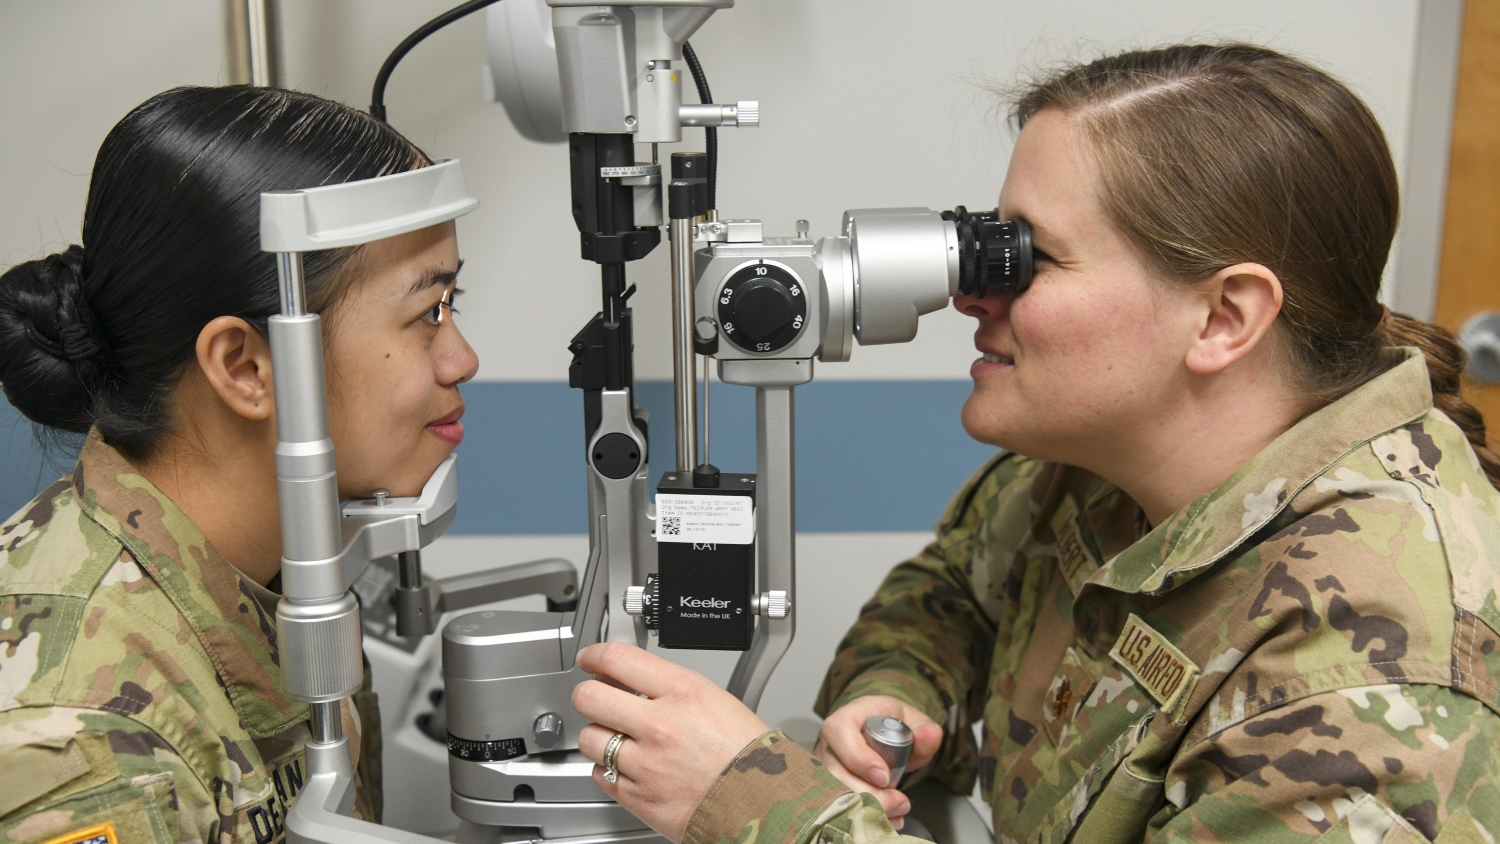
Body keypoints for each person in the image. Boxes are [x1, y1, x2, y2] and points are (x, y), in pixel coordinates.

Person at [567, 43, 1500, 844]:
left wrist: (757, 804)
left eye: (1029, 257)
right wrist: (899, 696)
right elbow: (950, 593)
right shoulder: (1098, 473)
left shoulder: (1371, 678)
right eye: (986, 246)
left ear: (1222, 317)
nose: (973, 294)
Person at [0, 87, 476, 843]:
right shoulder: (85, 736)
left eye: (454, 304)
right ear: (247, 366)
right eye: (426, 314)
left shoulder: (287, 582)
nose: (462, 359)